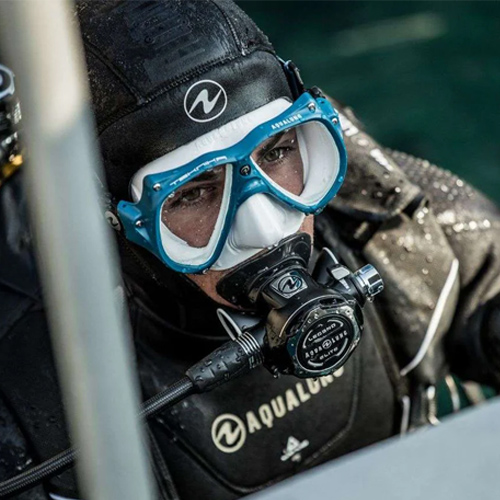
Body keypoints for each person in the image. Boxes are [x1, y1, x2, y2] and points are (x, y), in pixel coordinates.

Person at [1, 1, 500, 499]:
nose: (264, 227)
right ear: (115, 220)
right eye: (191, 193)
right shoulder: (29, 390)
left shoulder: (387, 219)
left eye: (276, 151)